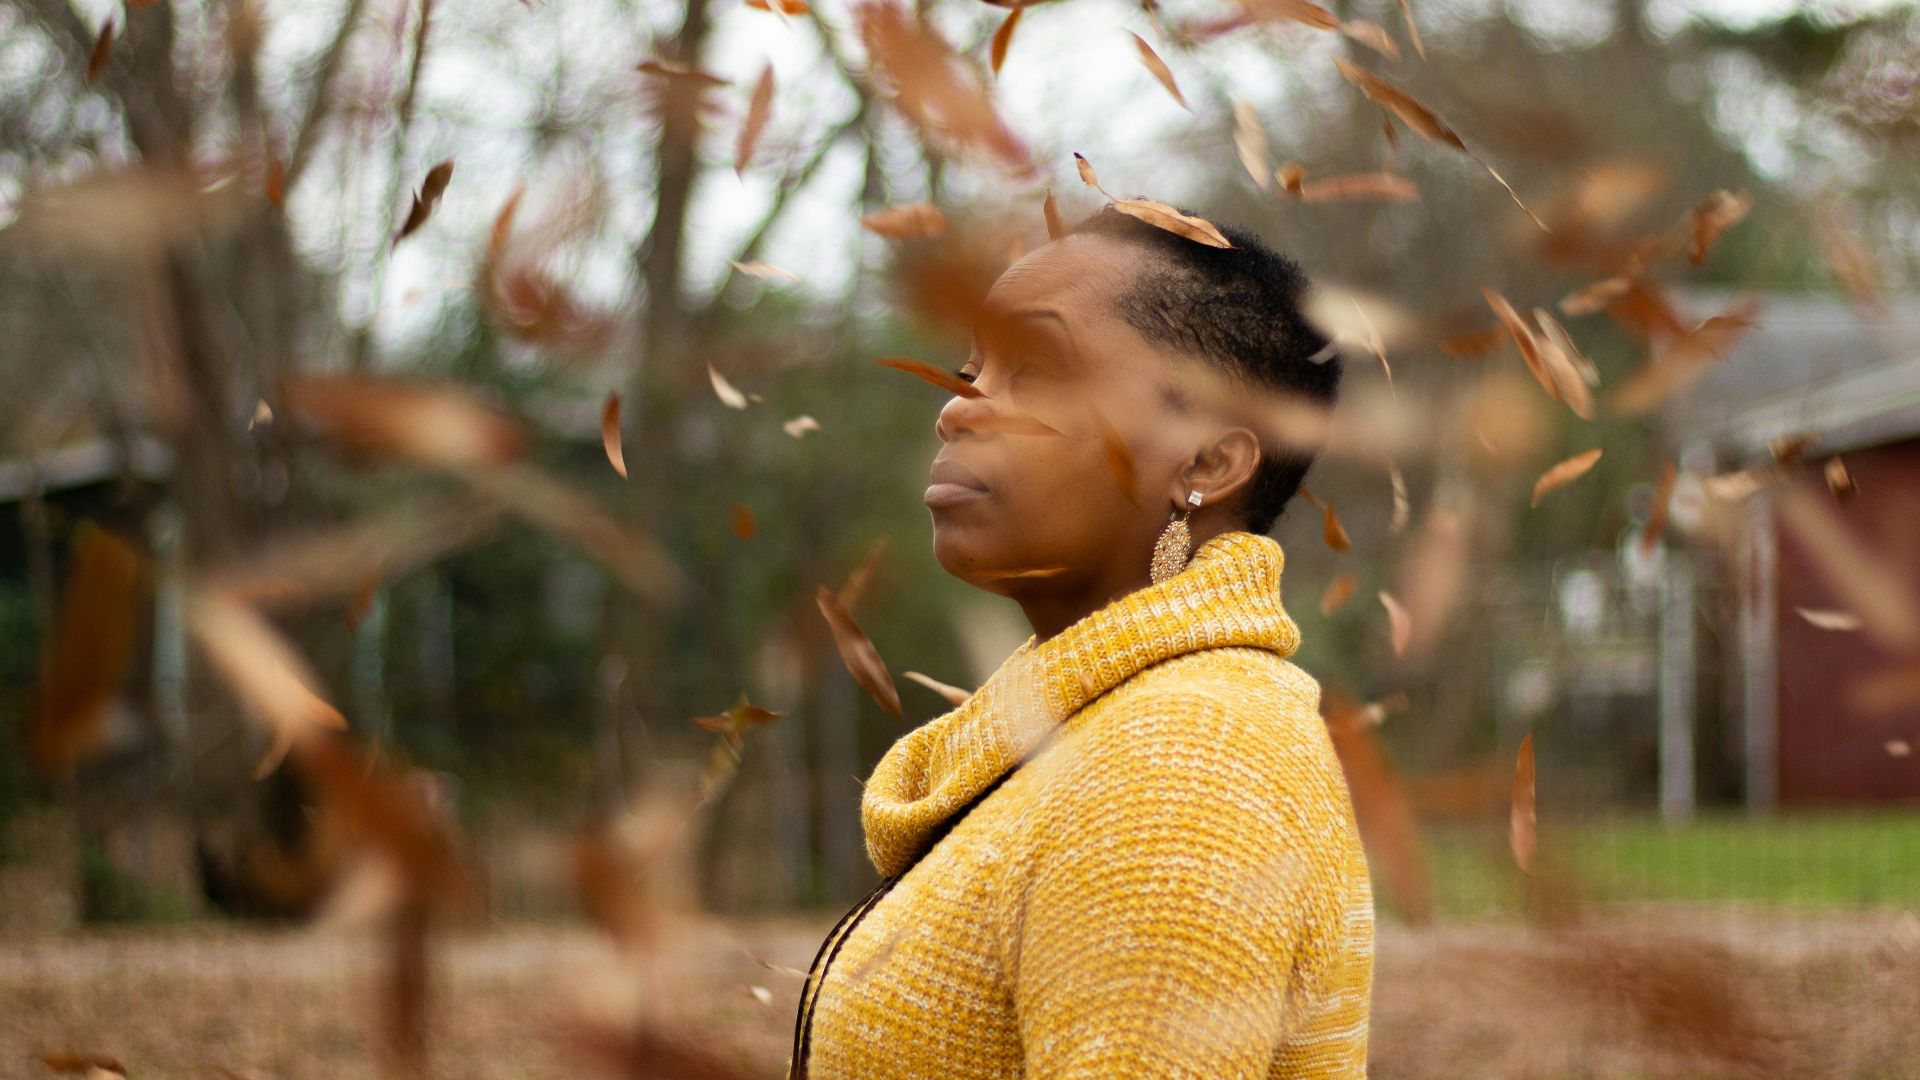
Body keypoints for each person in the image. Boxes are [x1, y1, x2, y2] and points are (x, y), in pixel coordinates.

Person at [789, 204, 1373, 1079]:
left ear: (1207, 463)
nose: (957, 411)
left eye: (1035, 369)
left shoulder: (1184, 766)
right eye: (970, 370)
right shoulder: (1095, 732)